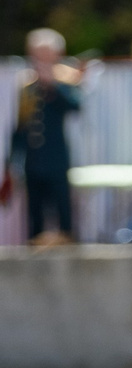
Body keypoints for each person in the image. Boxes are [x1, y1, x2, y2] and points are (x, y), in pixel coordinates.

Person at [8, 28, 82, 246]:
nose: (39, 58)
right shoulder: (27, 83)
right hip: (34, 160)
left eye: (44, 52)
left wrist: (52, 84)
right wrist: (12, 160)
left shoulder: (66, 78)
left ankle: (68, 248)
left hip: (57, 157)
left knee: (62, 210)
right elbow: (21, 125)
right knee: (34, 213)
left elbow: (75, 107)